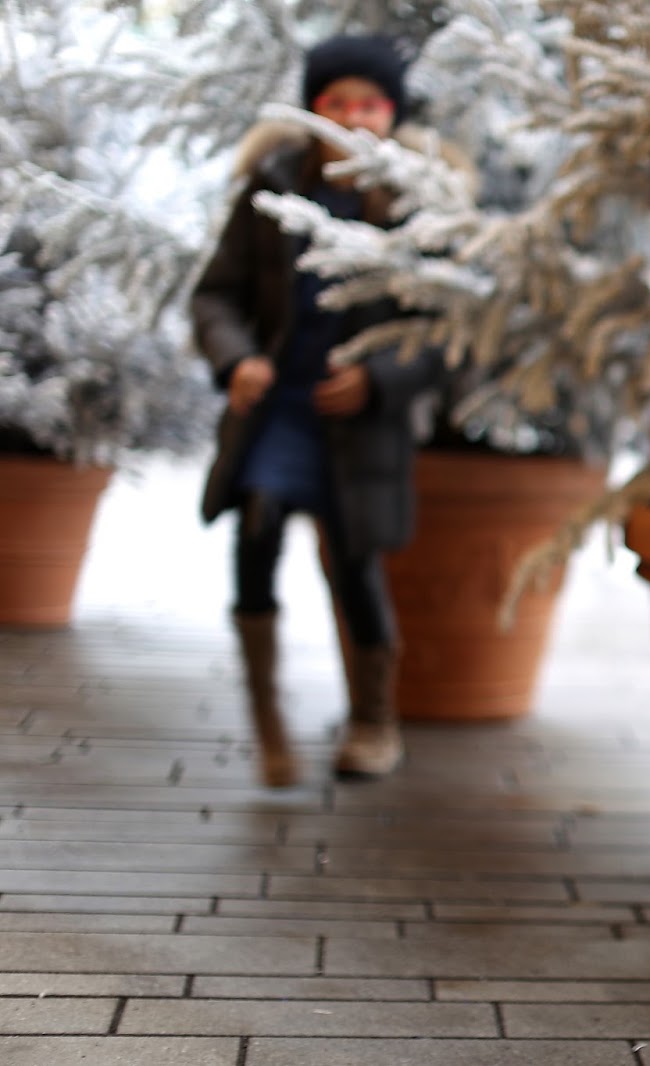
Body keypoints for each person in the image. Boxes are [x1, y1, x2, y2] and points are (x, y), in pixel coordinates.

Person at [190, 34, 459, 787]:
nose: (352, 118)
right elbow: (217, 293)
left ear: (392, 114)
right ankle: (268, 720)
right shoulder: (273, 186)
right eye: (335, 102)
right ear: (313, 109)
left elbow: (441, 323)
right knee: (259, 529)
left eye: (368, 103)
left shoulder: (412, 204)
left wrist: (379, 377)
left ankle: (374, 719)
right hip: (280, 405)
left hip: (355, 424)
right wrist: (237, 357)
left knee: (353, 560)